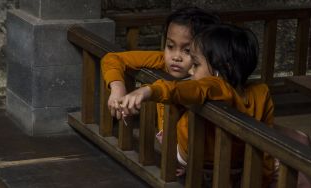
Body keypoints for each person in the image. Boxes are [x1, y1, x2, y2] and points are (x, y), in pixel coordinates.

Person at [117, 24, 274, 187]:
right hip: (225, 161)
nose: (191, 71)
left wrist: (148, 91)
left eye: (196, 64)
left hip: (200, 155)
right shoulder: (262, 92)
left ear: (223, 70)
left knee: (182, 91)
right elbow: (268, 147)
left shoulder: (217, 85)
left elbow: (198, 87)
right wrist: (264, 181)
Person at [101, 7, 220, 139]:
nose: (176, 57)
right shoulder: (161, 61)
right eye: (170, 46)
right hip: (167, 147)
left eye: (187, 51)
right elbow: (112, 58)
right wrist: (117, 87)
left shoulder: (211, 78)